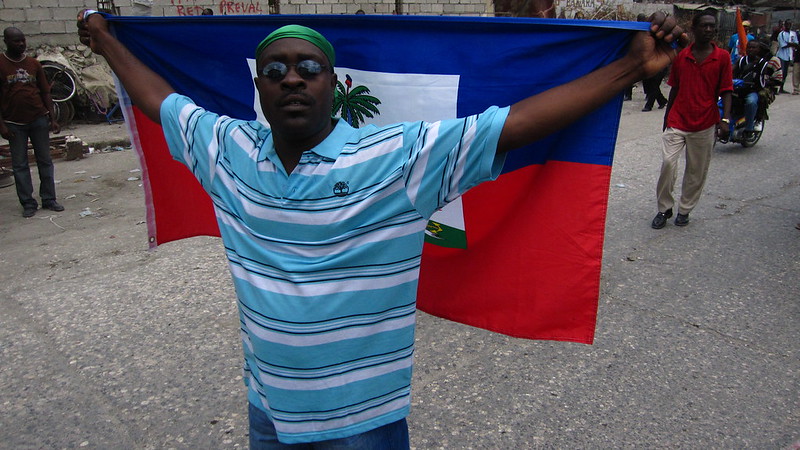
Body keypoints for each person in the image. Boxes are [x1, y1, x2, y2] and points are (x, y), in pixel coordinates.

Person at [78, 10, 686, 447]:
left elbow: (514, 124)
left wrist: (632, 67)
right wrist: (104, 39)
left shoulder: (398, 158)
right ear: (257, 87)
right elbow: (160, 99)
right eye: (275, 70)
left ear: (334, 83)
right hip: (268, 411)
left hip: (363, 424)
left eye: (309, 67)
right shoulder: (224, 149)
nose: (292, 78)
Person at [652, 10, 732, 229]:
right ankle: (664, 208)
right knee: (668, 164)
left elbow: (726, 90)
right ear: (694, 29)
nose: (708, 29)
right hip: (678, 120)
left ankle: (685, 209)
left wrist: (725, 120)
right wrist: (667, 117)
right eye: (704, 25)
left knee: (696, 170)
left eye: (712, 26)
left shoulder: (722, 57)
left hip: (705, 122)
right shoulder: (682, 56)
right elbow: (674, 88)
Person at [0, 27, 63, 218]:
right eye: (16, 41)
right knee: (20, 165)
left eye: (23, 40)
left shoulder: (33, 64)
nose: (21, 44)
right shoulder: (1, 64)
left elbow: (45, 92)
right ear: (6, 42)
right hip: (13, 123)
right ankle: (28, 203)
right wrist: (2, 125)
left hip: (38, 119)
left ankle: (49, 199)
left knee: (45, 160)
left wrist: (52, 118)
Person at [733, 40, 768, 140]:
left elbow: (761, 82)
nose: (751, 49)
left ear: (758, 50)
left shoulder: (762, 63)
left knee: (751, 102)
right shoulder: (741, 60)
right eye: (749, 47)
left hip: (752, 91)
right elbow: (734, 73)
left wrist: (751, 84)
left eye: (754, 48)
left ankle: (749, 129)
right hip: (738, 89)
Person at [775, 20, 797, 94]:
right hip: (781, 56)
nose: (788, 26)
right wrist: (792, 44)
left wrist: (789, 43)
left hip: (789, 56)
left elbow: (796, 44)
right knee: (780, 73)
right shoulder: (781, 34)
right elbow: (783, 45)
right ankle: (776, 88)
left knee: (785, 73)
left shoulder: (793, 34)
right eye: (787, 24)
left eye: (790, 24)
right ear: (785, 25)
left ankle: (781, 88)